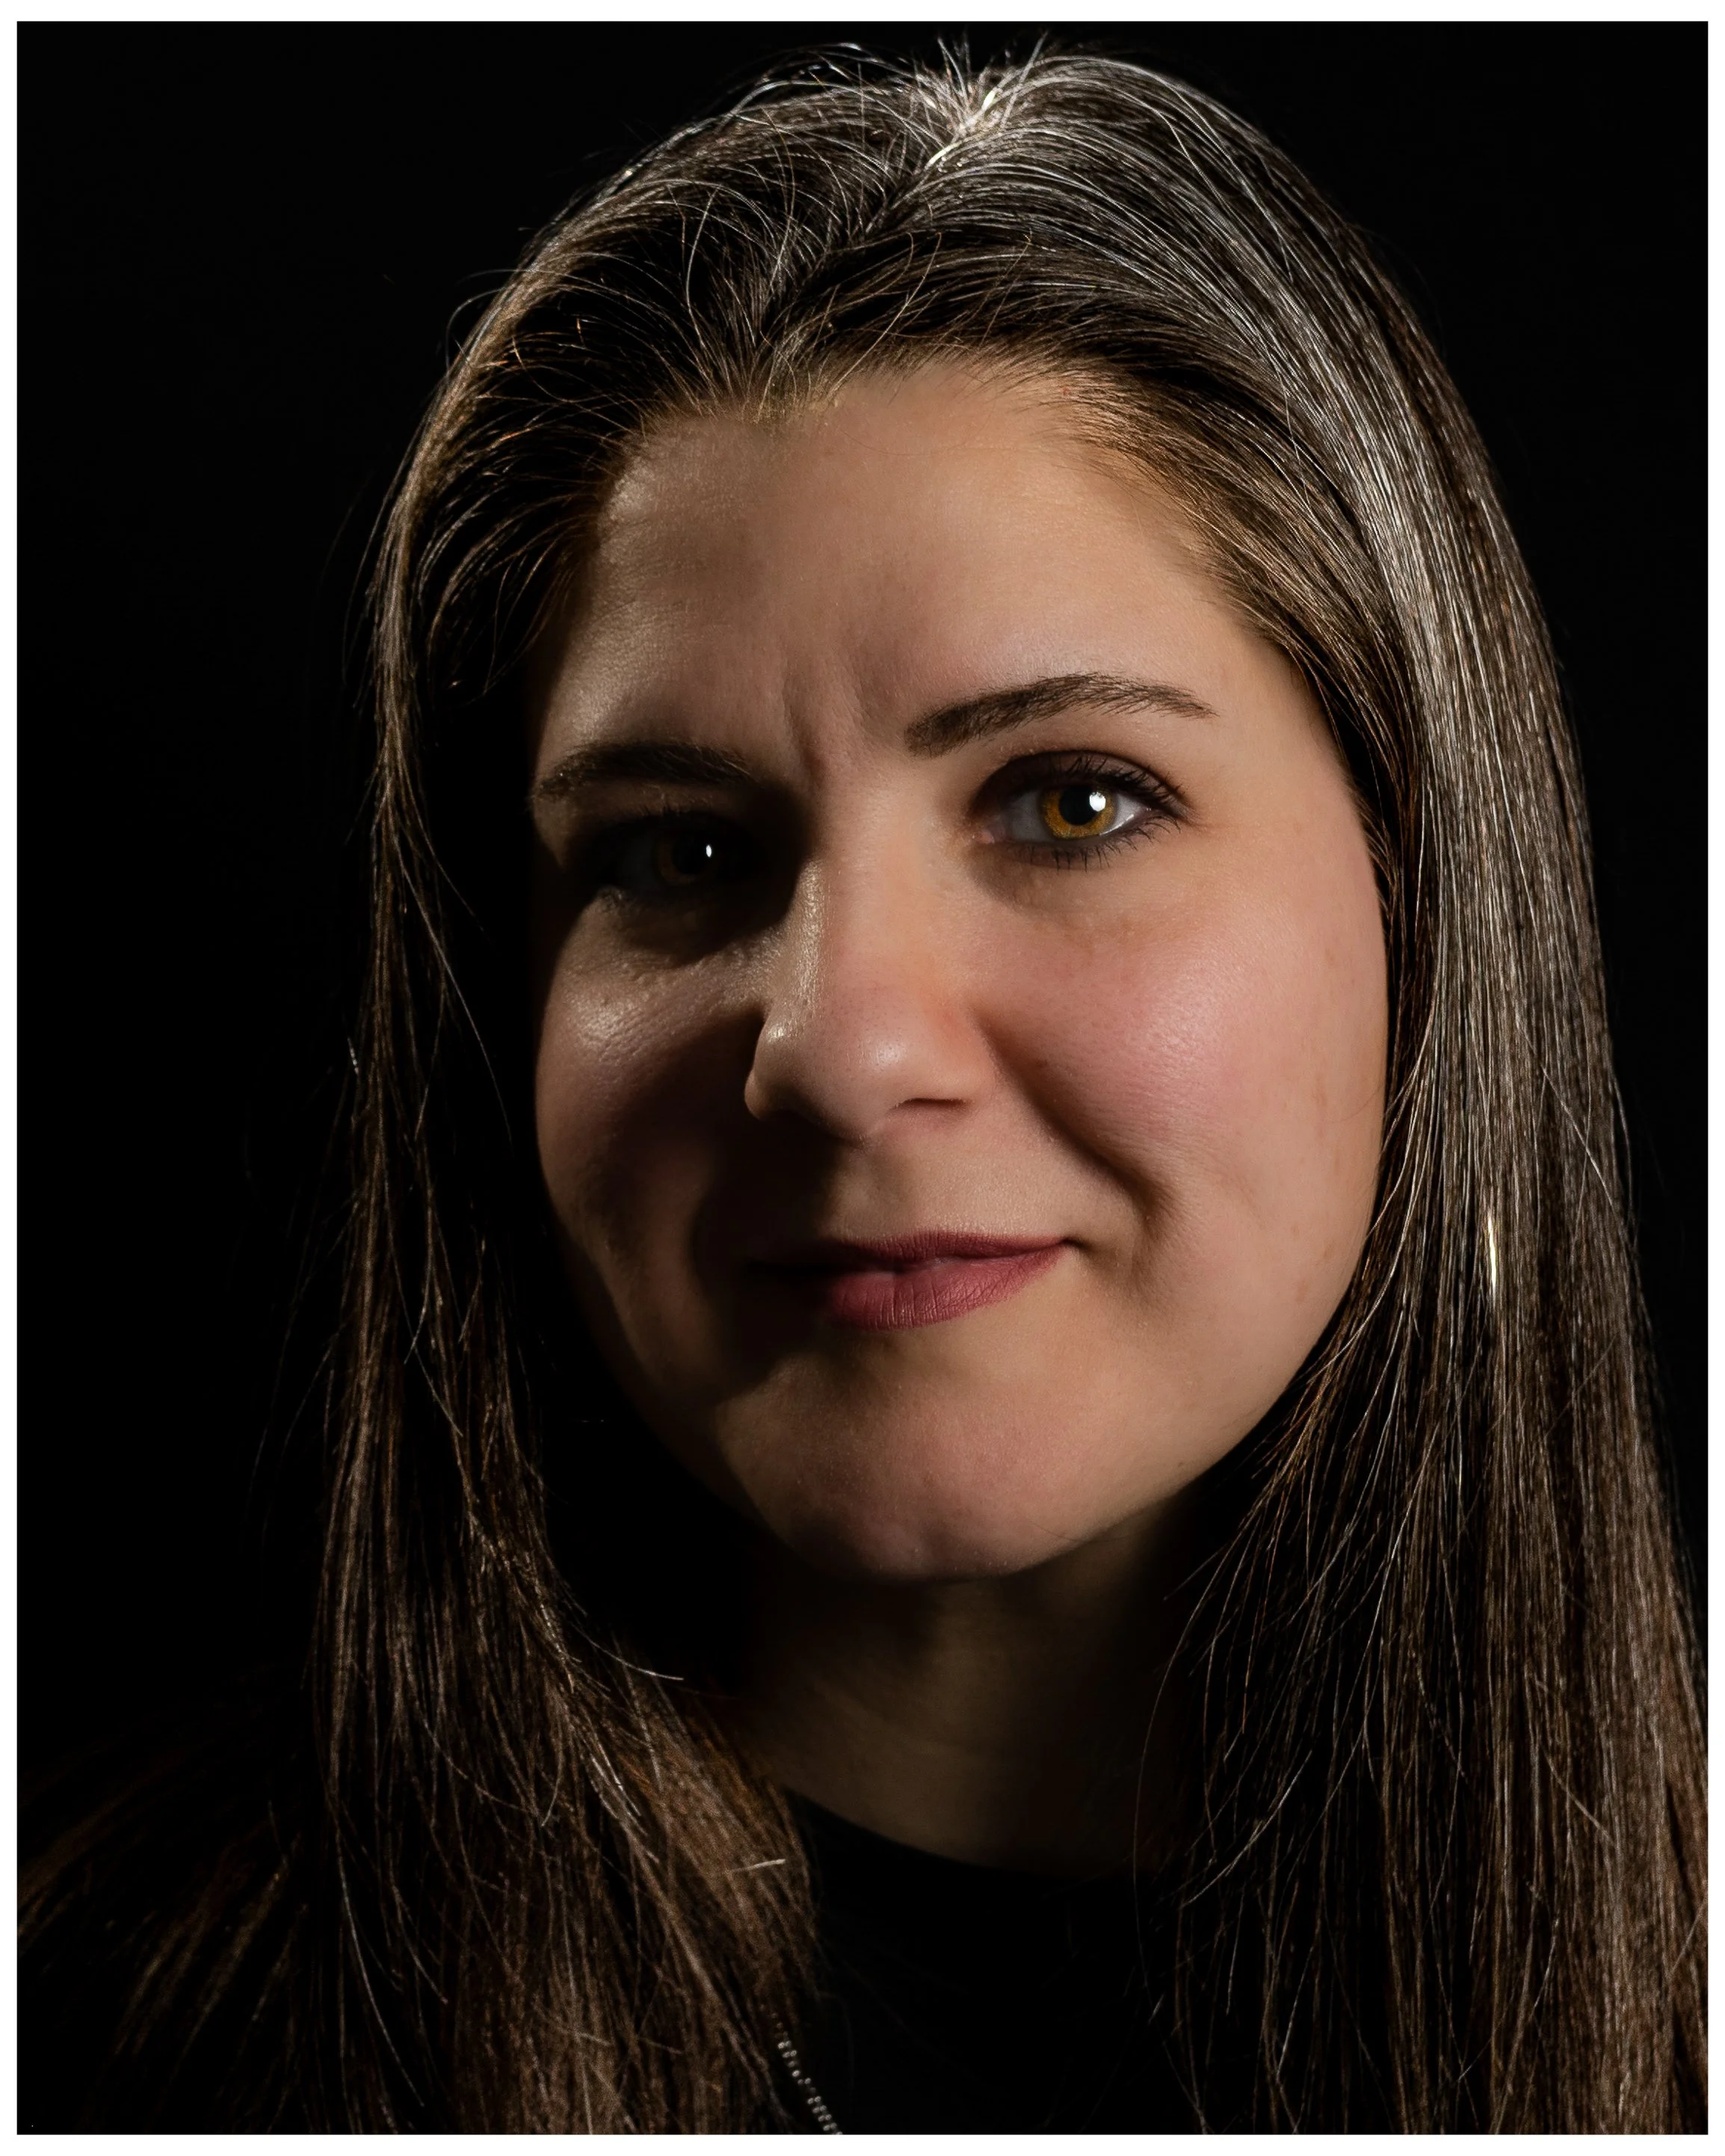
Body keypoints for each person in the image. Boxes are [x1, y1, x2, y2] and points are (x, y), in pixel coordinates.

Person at [21, 50, 1704, 2133]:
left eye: (1069, 800)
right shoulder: (117, 2047)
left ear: (1427, 899)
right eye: (676, 850)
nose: (842, 1047)